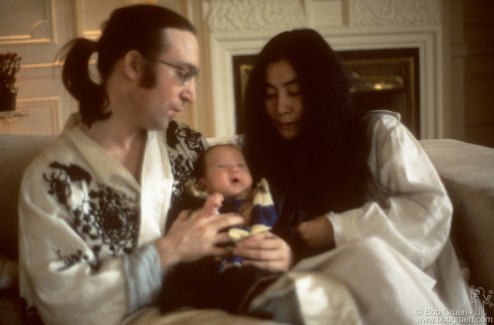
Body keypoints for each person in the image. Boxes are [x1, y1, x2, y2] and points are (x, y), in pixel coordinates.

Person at [17, 5, 263, 325]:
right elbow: (65, 307)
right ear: (133, 65)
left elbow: (244, 182)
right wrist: (168, 252)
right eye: (182, 73)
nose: (191, 93)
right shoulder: (53, 179)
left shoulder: (186, 146)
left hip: (213, 301)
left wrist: (273, 247)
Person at [240, 28, 480, 324]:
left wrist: (336, 227)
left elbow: (429, 213)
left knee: (370, 257)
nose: (281, 108)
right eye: (269, 95)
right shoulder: (258, 150)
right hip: (303, 280)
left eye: (295, 92)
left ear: (321, 89)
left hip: (380, 276)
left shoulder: (378, 135)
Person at [159, 144, 281, 314]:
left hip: (259, 263)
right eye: (223, 167)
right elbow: (181, 228)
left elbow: (282, 225)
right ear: (204, 184)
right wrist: (214, 214)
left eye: (241, 166)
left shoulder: (263, 197)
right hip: (212, 273)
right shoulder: (196, 202)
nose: (235, 170)